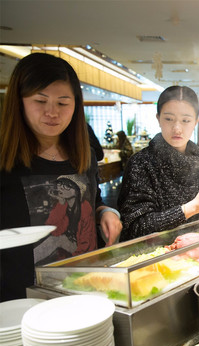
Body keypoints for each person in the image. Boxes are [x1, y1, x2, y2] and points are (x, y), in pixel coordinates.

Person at [0, 52, 122, 301]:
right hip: (21, 300)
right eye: (40, 101)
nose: (52, 112)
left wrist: (105, 212)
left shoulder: (83, 153)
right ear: (19, 101)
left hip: (84, 289)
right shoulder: (5, 159)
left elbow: (93, 199)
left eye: (63, 103)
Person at [117, 86, 199, 241]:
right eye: (169, 119)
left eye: (185, 120)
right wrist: (190, 208)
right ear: (158, 118)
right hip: (154, 258)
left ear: (195, 122)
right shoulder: (141, 163)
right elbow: (135, 227)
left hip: (196, 252)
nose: (177, 128)